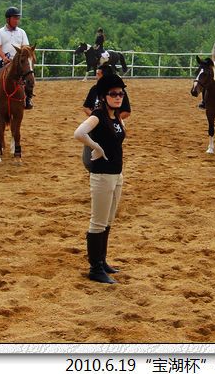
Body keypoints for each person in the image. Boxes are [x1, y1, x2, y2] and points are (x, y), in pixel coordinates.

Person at [74, 73, 128, 284]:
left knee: (108, 220)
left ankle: (102, 260)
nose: (118, 97)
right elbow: (79, 133)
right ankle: (95, 268)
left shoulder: (116, 117)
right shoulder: (98, 115)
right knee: (97, 221)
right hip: (102, 175)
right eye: (113, 94)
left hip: (116, 174)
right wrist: (95, 147)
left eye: (120, 94)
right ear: (104, 96)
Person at [81, 64, 131, 169]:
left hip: (112, 128)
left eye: (98, 74)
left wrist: (113, 119)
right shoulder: (94, 89)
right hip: (94, 127)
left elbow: (126, 111)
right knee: (88, 159)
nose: (96, 77)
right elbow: (86, 107)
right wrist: (96, 119)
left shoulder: (120, 92)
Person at [0, 7, 33, 109]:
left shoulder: (22, 32)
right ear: (8, 19)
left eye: (17, 18)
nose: (17, 21)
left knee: (29, 77)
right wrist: (4, 57)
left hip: (19, 62)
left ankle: (28, 99)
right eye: (14, 18)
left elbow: (26, 47)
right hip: (3, 60)